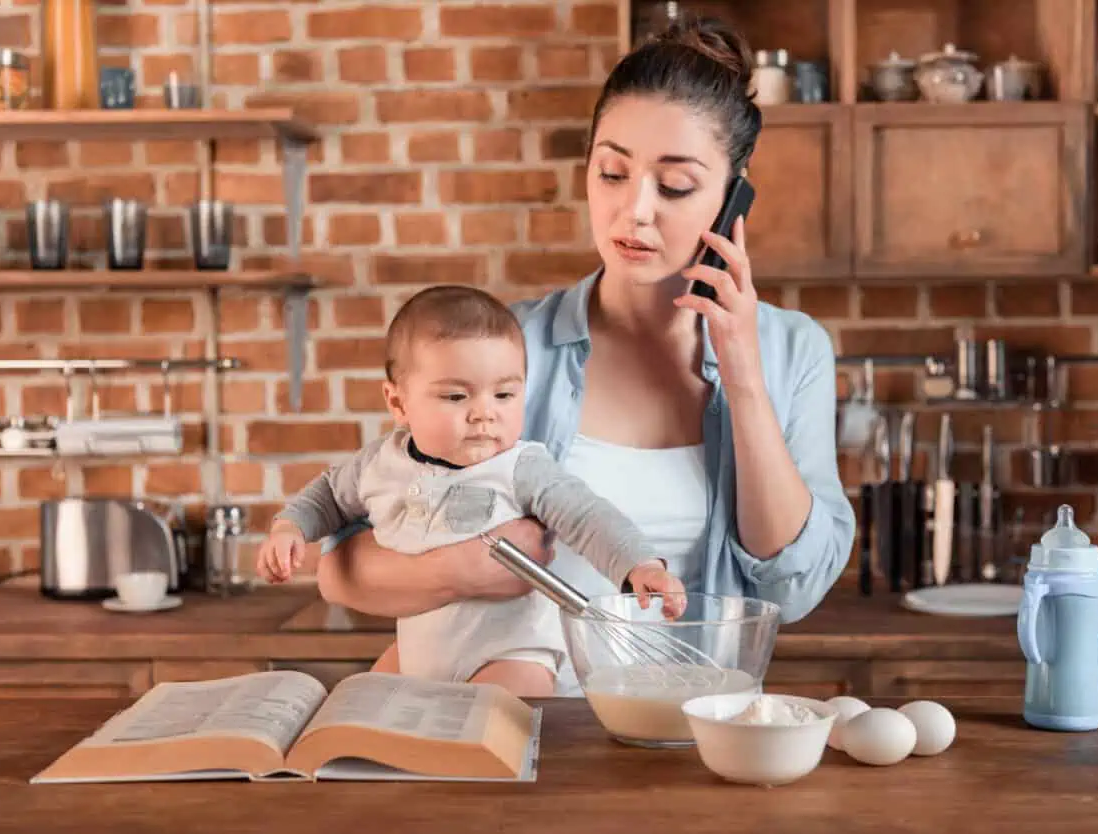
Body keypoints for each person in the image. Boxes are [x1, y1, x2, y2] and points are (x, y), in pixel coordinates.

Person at [316, 16, 857, 696]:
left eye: (676, 186)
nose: (634, 212)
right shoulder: (514, 348)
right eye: (612, 172)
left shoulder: (791, 351)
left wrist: (742, 374)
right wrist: (465, 569)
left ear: (732, 198)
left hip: (685, 736)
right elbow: (341, 566)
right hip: (521, 730)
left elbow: (797, 585)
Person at [256, 285, 686, 697]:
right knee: (360, 707)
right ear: (398, 402)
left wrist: (639, 566)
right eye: (457, 396)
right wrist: (289, 528)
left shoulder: (521, 467)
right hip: (418, 652)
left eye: (504, 393)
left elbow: (588, 517)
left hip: (511, 653)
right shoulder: (378, 464)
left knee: (497, 723)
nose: (484, 414)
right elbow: (328, 496)